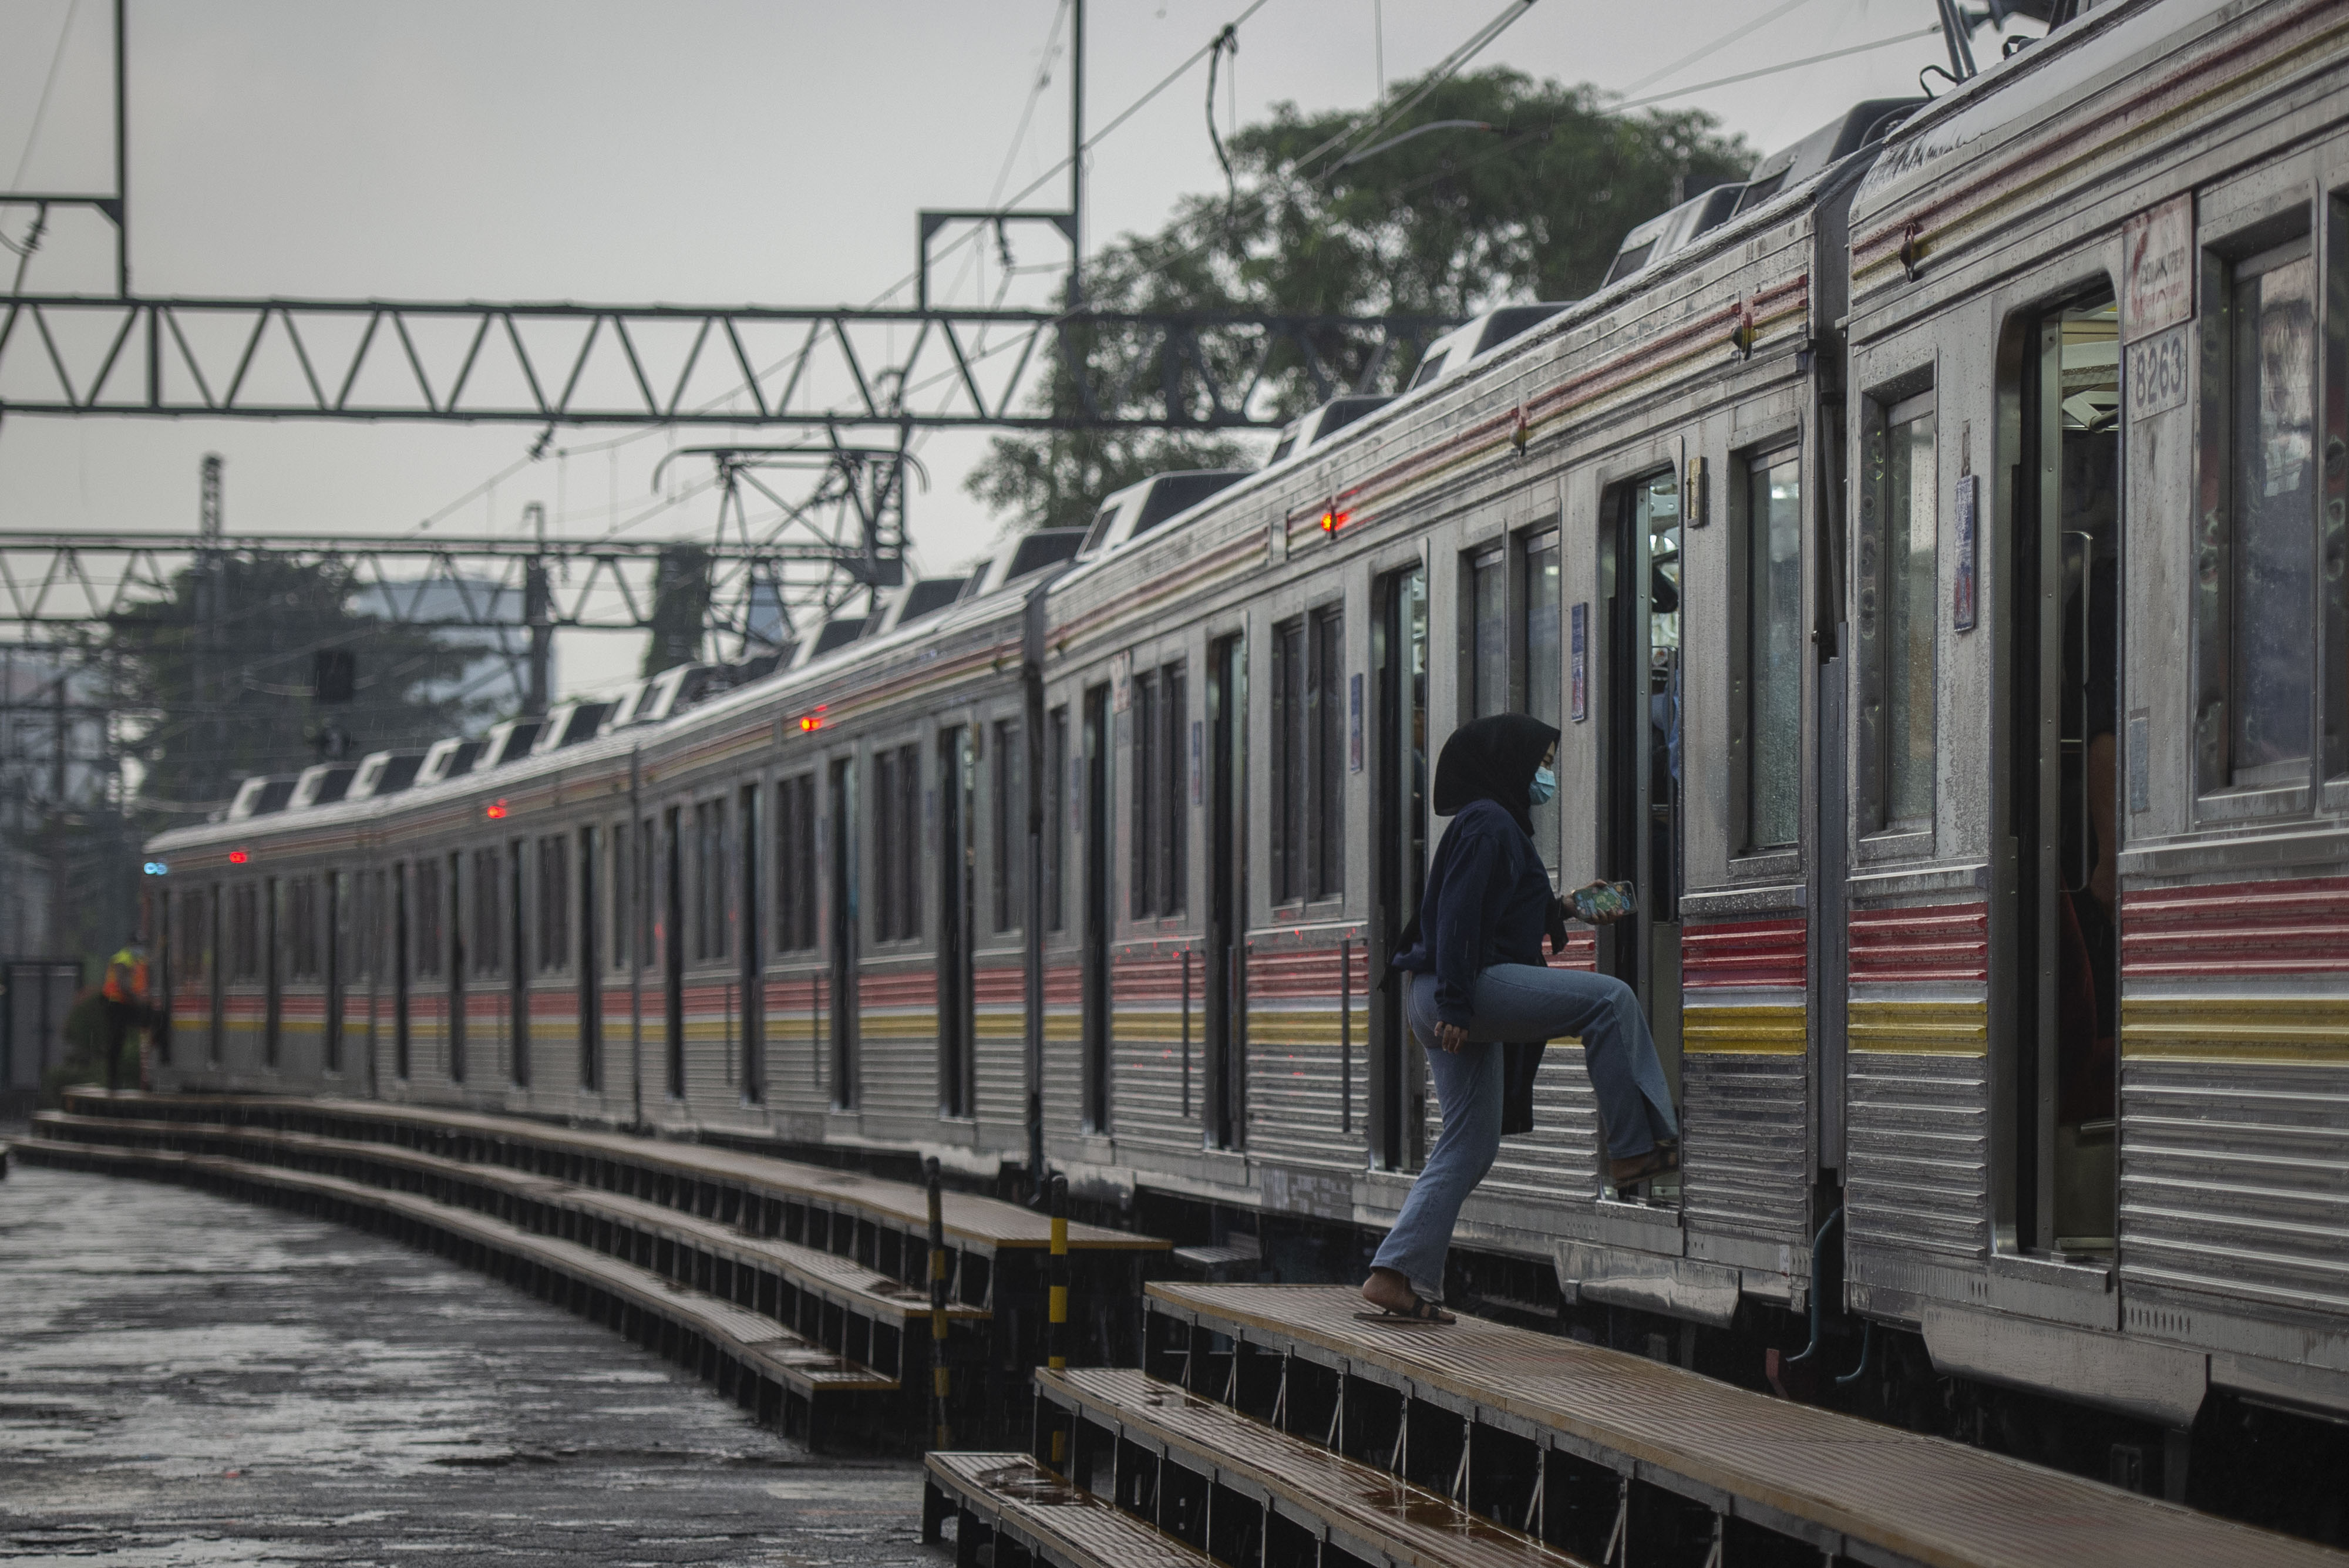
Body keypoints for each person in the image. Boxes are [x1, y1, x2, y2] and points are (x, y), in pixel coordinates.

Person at [1360, 714, 1680, 1323]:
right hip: (1458, 991)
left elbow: (1499, 912)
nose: (1548, 775)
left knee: (1470, 1144)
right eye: (1544, 762)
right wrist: (1458, 1004)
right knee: (1608, 1001)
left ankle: (1394, 1273)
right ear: (1510, 762)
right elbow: (1456, 915)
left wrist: (1570, 907)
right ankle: (1634, 1150)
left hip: (1441, 991)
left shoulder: (1493, 824)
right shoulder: (1488, 822)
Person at [100, 938, 152, 1093]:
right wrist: (140, 1000)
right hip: (115, 1004)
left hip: (127, 1004)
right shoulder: (122, 959)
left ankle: (159, 1057)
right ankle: (113, 1081)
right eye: (138, 946)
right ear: (131, 946)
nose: (141, 950)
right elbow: (124, 986)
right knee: (116, 1040)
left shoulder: (138, 960)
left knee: (152, 1020)